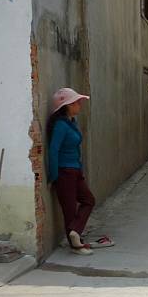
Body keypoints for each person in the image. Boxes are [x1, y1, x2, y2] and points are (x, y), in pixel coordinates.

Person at [47, 88, 95, 255]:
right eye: (76, 102)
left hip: (75, 170)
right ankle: (75, 245)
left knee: (88, 200)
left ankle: (75, 232)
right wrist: (53, 176)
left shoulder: (71, 122)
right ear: (67, 105)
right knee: (69, 209)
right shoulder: (60, 125)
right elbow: (53, 150)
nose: (79, 104)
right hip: (64, 172)